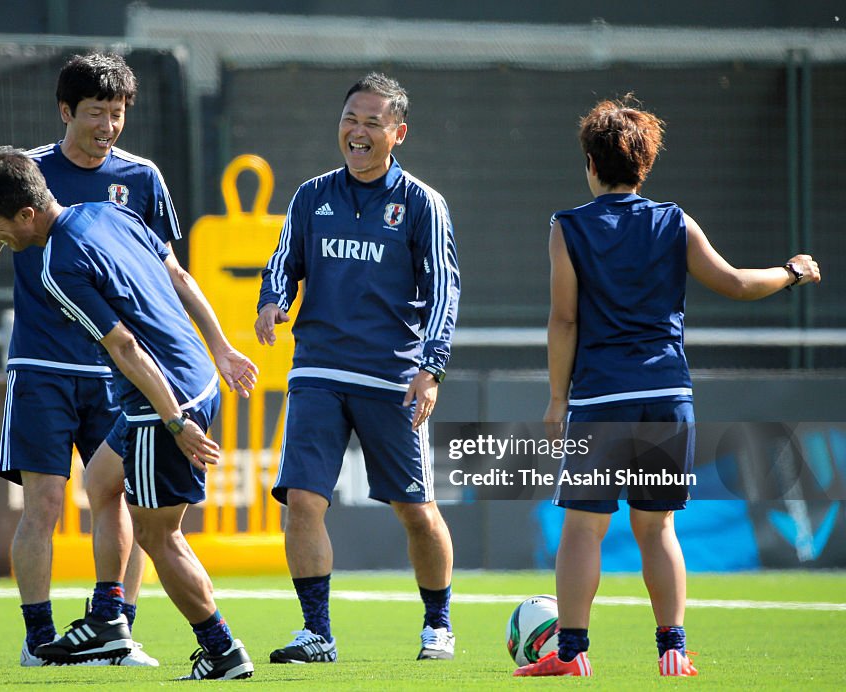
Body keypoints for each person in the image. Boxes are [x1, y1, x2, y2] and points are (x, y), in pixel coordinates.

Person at [0, 53, 254, 667]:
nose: (108, 125)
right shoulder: (28, 178)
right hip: (52, 367)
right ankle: (57, 634)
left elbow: (158, 297)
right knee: (77, 493)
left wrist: (200, 376)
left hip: (140, 376)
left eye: (117, 114)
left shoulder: (131, 187)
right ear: (65, 112)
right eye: (96, 113)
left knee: (154, 527)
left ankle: (200, 644)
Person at [514, 96, 821, 678]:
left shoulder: (568, 227)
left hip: (601, 399)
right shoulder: (673, 221)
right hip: (666, 396)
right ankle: (673, 650)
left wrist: (558, 398)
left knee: (583, 526)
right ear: (645, 163)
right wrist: (791, 272)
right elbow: (733, 281)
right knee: (657, 527)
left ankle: (573, 654)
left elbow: (564, 321)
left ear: (590, 162)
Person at [255, 72, 462, 663]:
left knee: (416, 511)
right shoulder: (311, 195)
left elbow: (445, 290)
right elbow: (282, 261)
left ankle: (438, 625)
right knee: (302, 500)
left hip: (392, 378)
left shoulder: (422, 203)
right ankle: (316, 633)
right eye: (351, 118)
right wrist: (272, 301)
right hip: (317, 370)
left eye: (373, 122)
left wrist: (432, 368)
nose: (359, 131)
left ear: (399, 133)